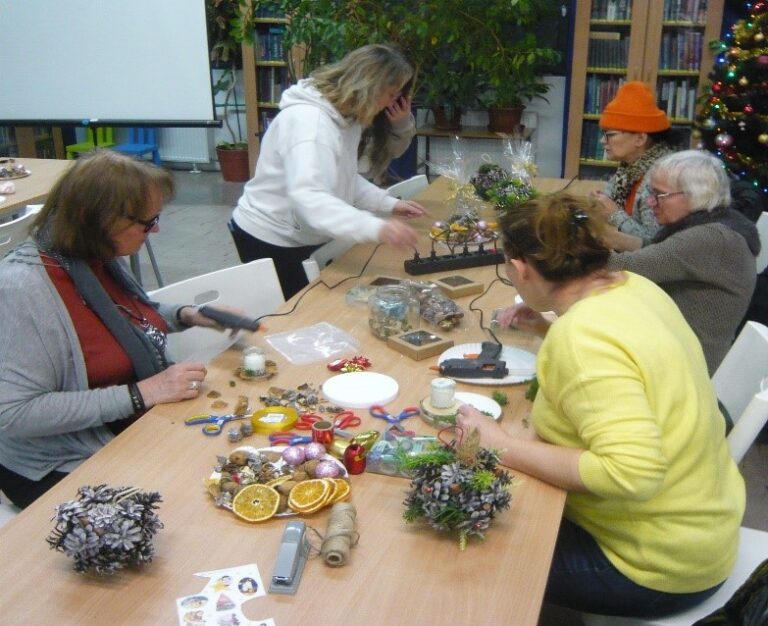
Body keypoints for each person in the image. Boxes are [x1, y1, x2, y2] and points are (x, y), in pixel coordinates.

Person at [457, 192, 745, 619]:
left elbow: (632, 473)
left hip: (655, 567)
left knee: (459, 551)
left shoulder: (583, 336)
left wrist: (501, 444)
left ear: (519, 267)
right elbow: (618, 360)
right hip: (702, 529)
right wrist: (547, 328)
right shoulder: (634, 287)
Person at [0, 151, 243, 509]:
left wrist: (189, 314)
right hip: (59, 463)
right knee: (196, 504)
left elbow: (124, 313)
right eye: (147, 222)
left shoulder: (88, 256)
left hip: (131, 427)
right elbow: (15, 414)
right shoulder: (22, 290)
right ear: (97, 220)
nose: (156, 230)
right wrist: (143, 392)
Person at [229, 44, 427, 299]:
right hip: (272, 236)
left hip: (299, 232)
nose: (392, 102)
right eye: (390, 94)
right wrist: (377, 228)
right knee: (295, 314)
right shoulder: (311, 126)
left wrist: (386, 203)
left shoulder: (347, 117)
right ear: (368, 87)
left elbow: (341, 177)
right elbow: (311, 200)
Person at [604, 150, 760, 375]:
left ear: (695, 194)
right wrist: (607, 238)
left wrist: (561, 247)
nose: (651, 201)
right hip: (676, 355)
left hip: (683, 371)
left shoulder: (710, 238)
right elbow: (654, 250)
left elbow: (627, 266)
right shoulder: (718, 228)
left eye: (659, 194)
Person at [590, 81, 680, 249]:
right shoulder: (629, 168)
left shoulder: (661, 178)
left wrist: (615, 214)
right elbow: (605, 199)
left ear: (640, 139)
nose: (603, 141)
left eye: (610, 135)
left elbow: (656, 245)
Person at [357, 89, 416, 186]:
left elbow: (395, 152)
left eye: (396, 97)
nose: (390, 103)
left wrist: (401, 126)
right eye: (391, 95)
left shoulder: (390, 110)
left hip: (370, 186)